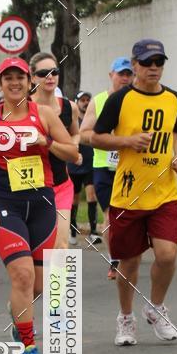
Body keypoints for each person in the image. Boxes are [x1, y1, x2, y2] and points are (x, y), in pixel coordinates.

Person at [0, 57, 77, 354]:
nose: (14, 83)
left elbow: (73, 153)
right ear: (0, 83)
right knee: (21, 275)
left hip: (42, 202)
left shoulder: (43, 114)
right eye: (8, 78)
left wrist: (45, 141)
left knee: (37, 284)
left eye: (20, 77)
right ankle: (29, 347)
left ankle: (17, 311)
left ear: (28, 80)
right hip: (7, 203)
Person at [92, 39, 177, 345]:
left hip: (165, 192)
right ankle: (125, 318)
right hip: (128, 195)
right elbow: (93, 136)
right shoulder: (120, 100)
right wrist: (126, 142)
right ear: (135, 65)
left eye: (159, 62)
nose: (154, 67)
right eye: (147, 62)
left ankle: (155, 308)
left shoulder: (174, 100)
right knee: (128, 264)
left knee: (168, 255)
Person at [80, 57, 134, 279]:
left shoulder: (136, 100)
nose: (125, 78)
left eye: (129, 74)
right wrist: (107, 139)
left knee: (129, 216)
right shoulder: (99, 100)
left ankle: (129, 257)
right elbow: (83, 135)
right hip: (103, 167)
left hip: (131, 168)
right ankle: (114, 260)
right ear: (111, 75)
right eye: (121, 73)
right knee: (111, 215)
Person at [29, 52, 83, 250]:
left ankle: (62, 283)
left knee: (61, 245)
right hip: (30, 186)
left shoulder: (70, 107)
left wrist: (74, 146)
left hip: (60, 184)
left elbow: (76, 134)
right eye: (43, 73)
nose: (50, 77)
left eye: (54, 72)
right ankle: (38, 282)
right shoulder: (22, 107)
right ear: (32, 77)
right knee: (38, 248)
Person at [69, 90, 99, 246]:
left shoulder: (92, 120)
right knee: (73, 200)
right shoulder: (72, 120)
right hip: (74, 165)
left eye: (88, 99)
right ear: (77, 102)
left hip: (90, 165)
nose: (86, 102)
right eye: (83, 100)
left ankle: (93, 232)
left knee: (91, 196)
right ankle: (72, 230)